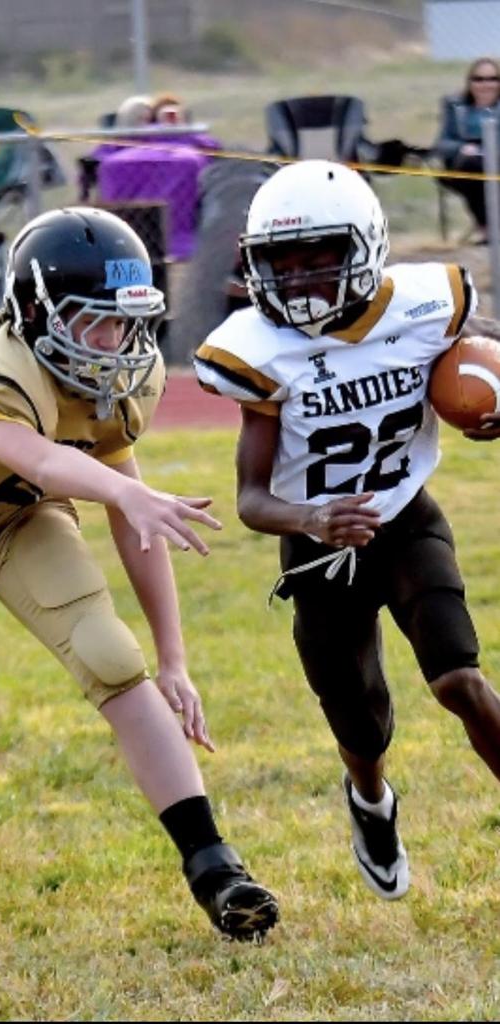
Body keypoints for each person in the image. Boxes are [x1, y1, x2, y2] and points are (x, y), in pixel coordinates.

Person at [0, 205, 279, 941]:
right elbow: (42, 459)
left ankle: (215, 868)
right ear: (34, 312)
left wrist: (174, 658)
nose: (114, 344)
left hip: (19, 518)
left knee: (114, 660)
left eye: (125, 323)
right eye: (93, 322)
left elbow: (130, 516)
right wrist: (124, 487)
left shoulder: (121, 373)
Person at [193, 158, 500, 901]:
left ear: (365, 248)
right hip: (317, 548)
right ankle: (370, 800)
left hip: (402, 518)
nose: (297, 280)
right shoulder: (257, 349)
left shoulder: (429, 302)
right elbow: (250, 498)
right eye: (282, 264)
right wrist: (313, 519)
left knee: (458, 674)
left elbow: (480, 342)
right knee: (360, 721)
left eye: (317, 260)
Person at [434, 57, 500, 244]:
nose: (485, 84)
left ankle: (490, 230)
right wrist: (462, 148)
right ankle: (488, 228)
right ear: (470, 82)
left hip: (496, 161)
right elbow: (442, 143)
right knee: (473, 168)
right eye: (478, 79)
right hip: (464, 164)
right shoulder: (455, 106)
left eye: (492, 79)